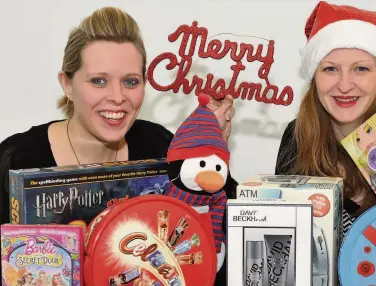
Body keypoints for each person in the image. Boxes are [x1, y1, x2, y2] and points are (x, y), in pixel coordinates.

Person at [0, 7, 235, 285]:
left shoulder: (159, 145)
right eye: (98, 81)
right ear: (67, 84)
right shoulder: (16, 159)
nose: (117, 97)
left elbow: (221, 228)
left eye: (130, 82)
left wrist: (207, 155)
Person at [275, 1, 376, 235]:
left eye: (361, 69)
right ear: (314, 78)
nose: (344, 85)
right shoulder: (298, 136)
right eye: (330, 69)